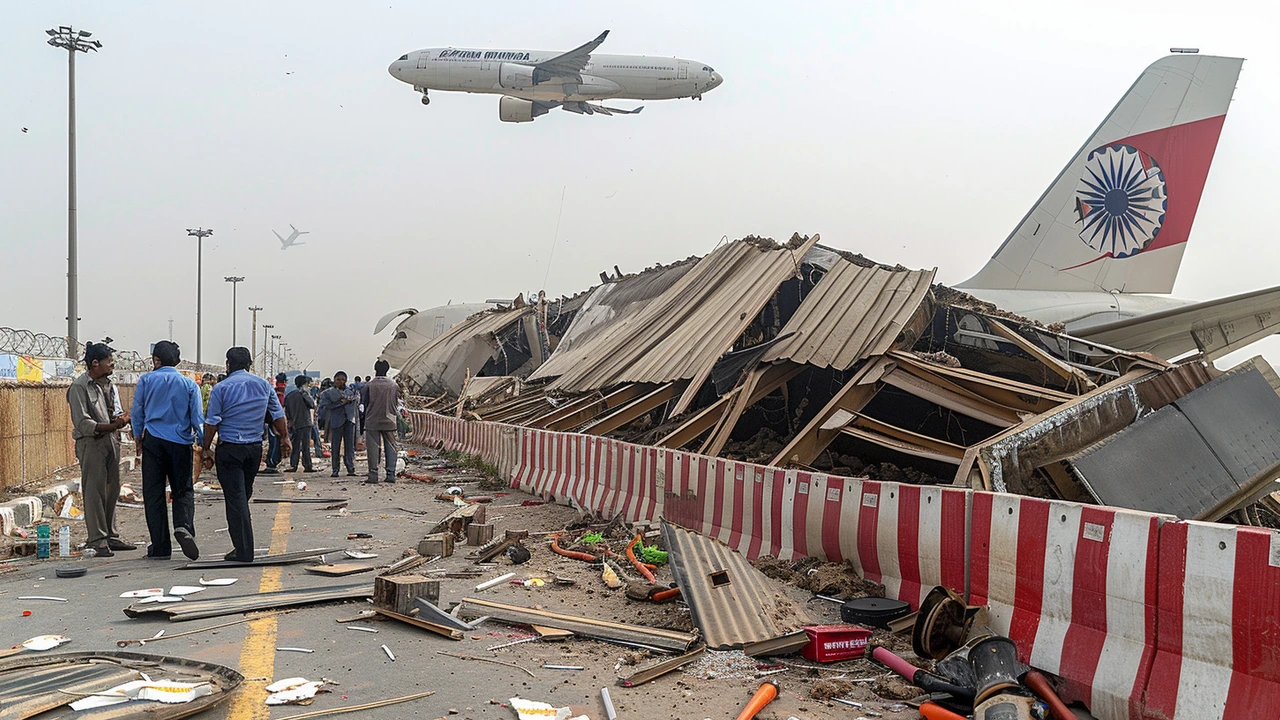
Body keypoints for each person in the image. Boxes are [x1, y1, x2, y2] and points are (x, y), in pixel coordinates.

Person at [201, 347, 288, 562]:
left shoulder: (221, 388)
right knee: (243, 494)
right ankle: (241, 545)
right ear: (249, 364)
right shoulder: (264, 386)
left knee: (236, 498)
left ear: (228, 365)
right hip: (253, 449)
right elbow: (278, 414)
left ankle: (243, 549)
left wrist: (205, 448)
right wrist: (285, 437)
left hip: (229, 449)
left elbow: (212, 421)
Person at [130, 340, 206, 560]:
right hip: (181, 442)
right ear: (178, 361)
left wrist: (138, 437)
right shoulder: (189, 384)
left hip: (153, 440)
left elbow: (138, 412)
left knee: (153, 494)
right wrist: (204, 445)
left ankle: (160, 546)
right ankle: (183, 526)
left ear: (156, 360)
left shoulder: (146, 381)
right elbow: (197, 419)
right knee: (183, 489)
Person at [66, 342, 132, 558]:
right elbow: (83, 423)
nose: (112, 364)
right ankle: (97, 539)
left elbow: (116, 411)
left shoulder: (109, 385)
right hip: (91, 442)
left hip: (112, 440)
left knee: (112, 489)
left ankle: (111, 536)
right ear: (95, 363)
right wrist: (113, 425)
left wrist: (120, 421)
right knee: (94, 491)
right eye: (108, 361)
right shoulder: (79, 387)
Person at [361, 360, 401, 484]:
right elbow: (397, 402)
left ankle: (373, 475)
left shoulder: (369, 385)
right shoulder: (393, 385)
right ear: (387, 369)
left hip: (372, 420)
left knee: (373, 449)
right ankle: (391, 474)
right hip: (390, 420)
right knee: (391, 448)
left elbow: (363, 404)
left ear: (375, 368)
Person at [317, 371, 359, 477]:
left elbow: (356, 402)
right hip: (336, 421)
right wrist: (340, 403)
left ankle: (350, 467)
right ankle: (335, 469)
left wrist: (351, 400)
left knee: (349, 446)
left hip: (349, 420)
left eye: (343, 380)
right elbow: (325, 406)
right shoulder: (328, 393)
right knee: (335, 446)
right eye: (338, 379)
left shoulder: (350, 391)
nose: (341, 382)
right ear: (334, 380)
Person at [284, 375, 316, 473]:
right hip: (305, 423)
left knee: (295, 445)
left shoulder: (289, 395)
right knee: (305, 446)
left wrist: (290, 421)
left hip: (294, 424)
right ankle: (307, 465)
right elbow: (312, 405)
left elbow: (286, 410)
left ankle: (293, 465)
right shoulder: (304, 394)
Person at [261, 372, 289, 474]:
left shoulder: (275, 391)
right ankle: (271, 463)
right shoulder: (279, 393)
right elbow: (278, 409)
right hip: (275, 421)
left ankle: (272, 462)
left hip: (272, 420)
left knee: (274, 442)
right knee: (275, 442)